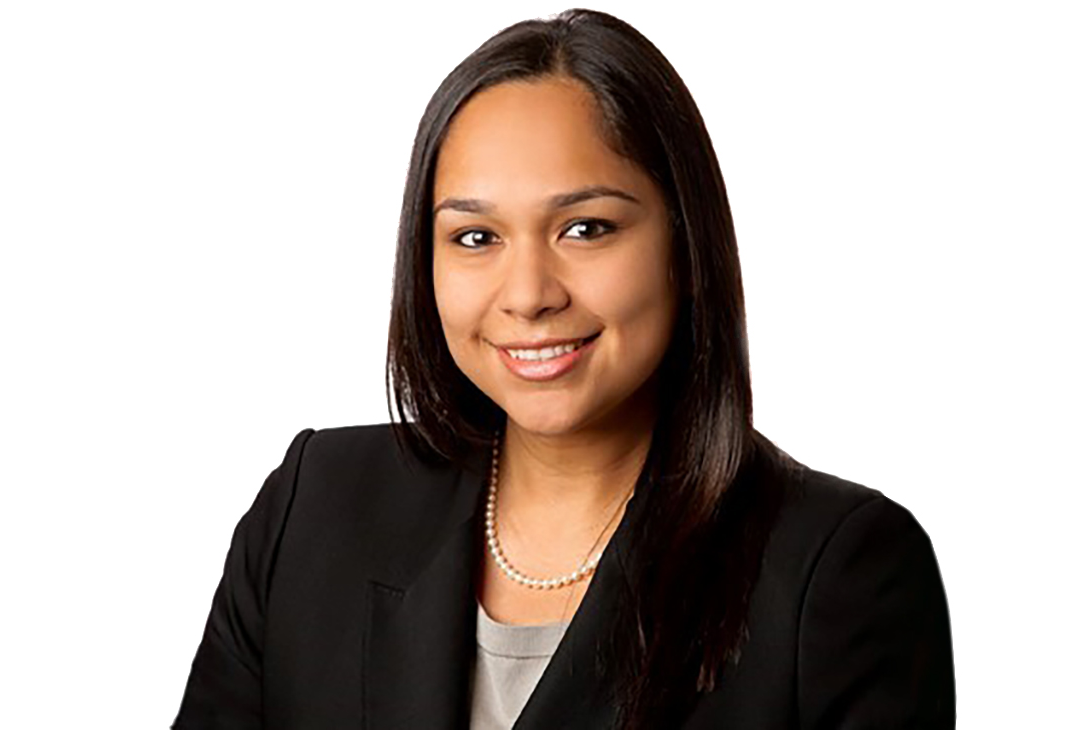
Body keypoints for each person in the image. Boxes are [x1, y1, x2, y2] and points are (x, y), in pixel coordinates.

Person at [171, 8, 954, 729]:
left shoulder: (838, 573)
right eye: (475, 238)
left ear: (684, 244)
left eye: (586, 228)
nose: (528, 295)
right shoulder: (315, 508)